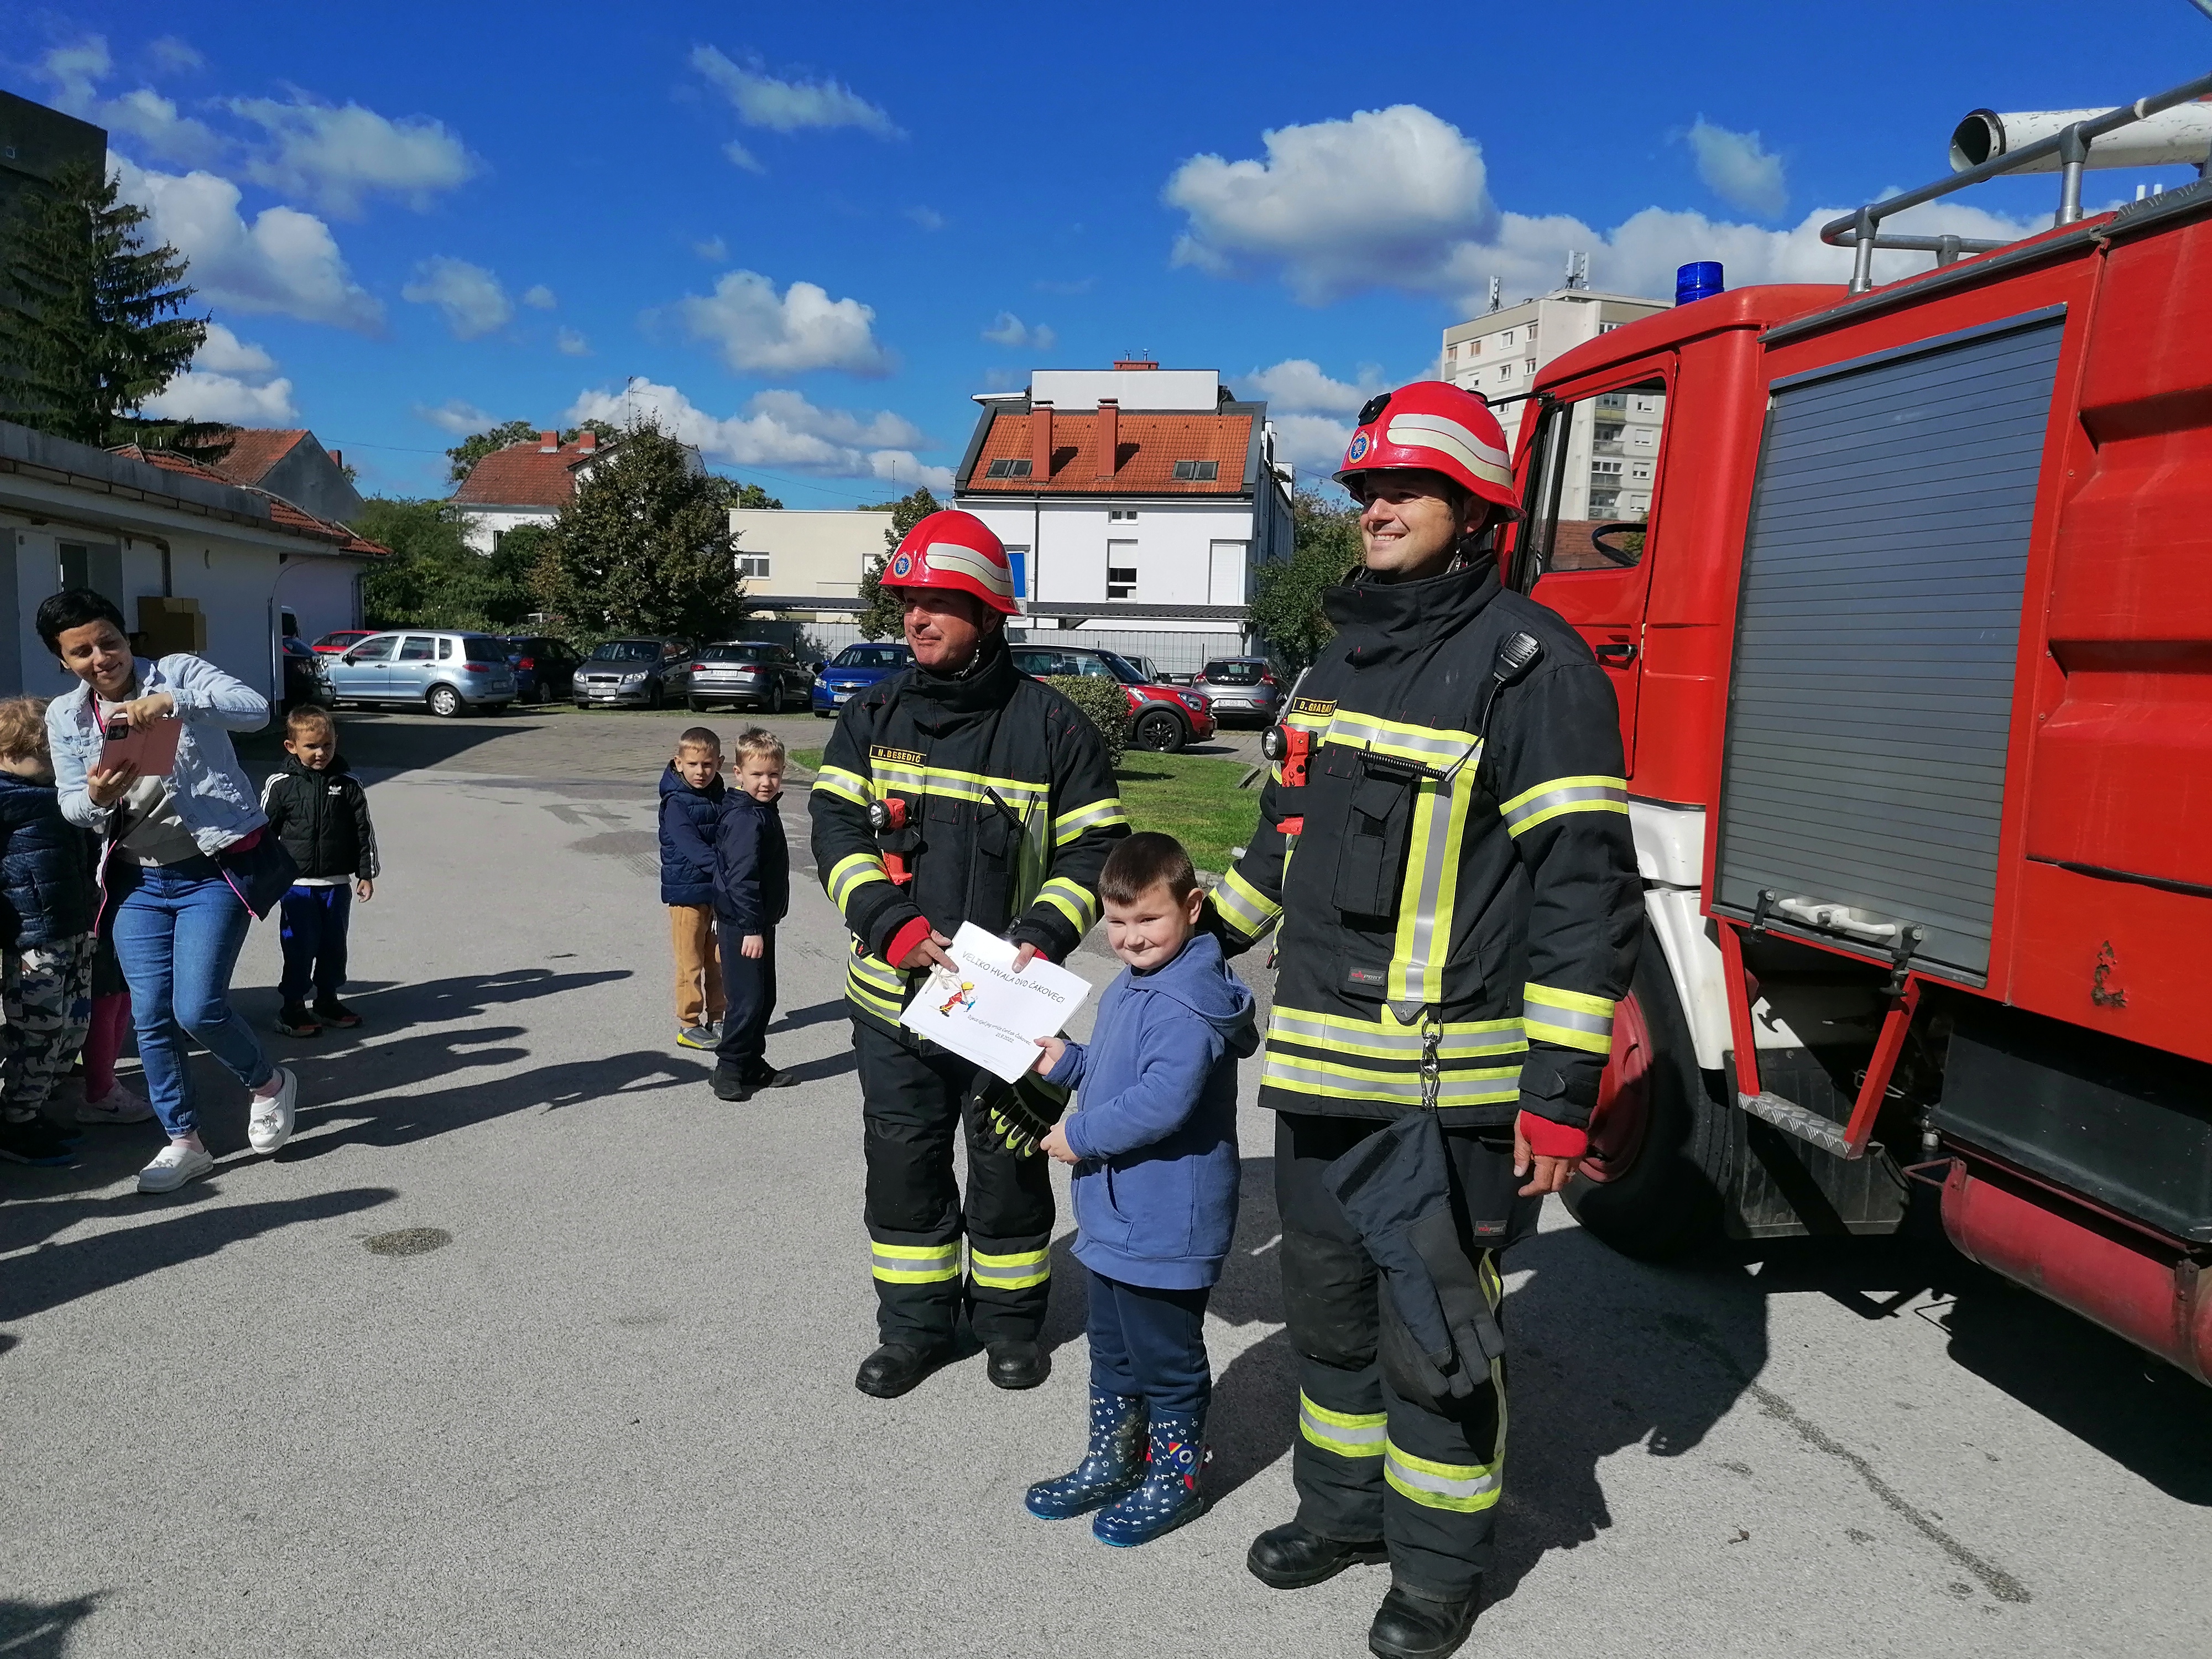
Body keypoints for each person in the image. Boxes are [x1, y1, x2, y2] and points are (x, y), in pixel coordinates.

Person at [1208, 384, 1640, 1659]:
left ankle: (1441, 1565)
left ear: (1473, 511)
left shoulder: (1533, 665)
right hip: (1320, 1078)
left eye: (1403, 488)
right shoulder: (1341, 656)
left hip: (1444, 1099)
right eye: (1363, 490)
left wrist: (1560, 1093)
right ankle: (1341, 1512)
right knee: (1330, 1319)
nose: (1375, 507)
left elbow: (1581, 889)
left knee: (1435, 1341)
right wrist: (1199, 933)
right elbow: (1284, 835)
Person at [811, 509, 1128, 1400]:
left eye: (939, 603)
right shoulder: (869, 714)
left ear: (990, 616)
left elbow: (1093, 849)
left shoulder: (1056, 729)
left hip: (1007, 1009)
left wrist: (1039, 938)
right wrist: (895, 928)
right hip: (890, 1001)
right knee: (904, 1167)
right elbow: (834, 829)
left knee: (1009, 1164)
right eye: (907, 601)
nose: (915, 619)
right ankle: (913, 1330)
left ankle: (1009, 1326)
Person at [1023, 832, 1256, 1547]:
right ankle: (1114, 1458)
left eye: (1147, 920)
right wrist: (1068, 1063)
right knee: (1115, 1349)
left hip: (1165, 1224)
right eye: (1116, 923)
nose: (1129, 938)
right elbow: (1119, 1069)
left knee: (1167, 1358)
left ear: (1192, 906)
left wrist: (1080, 1136)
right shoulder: (1133, 985)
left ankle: (1176, 1476)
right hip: (1118, 1217)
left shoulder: (1189, 1000)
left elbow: (1162, 1100)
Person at [40, 589, 300, 1196]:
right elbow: (72, 805)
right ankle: (184, 1140)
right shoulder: (66, 717)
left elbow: (254, 708)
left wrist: (174, 702)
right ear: (64, 661)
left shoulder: (177, 672)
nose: (101, 657)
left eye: (109, 641)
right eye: (82, 651)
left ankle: (268, 1084)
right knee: (152, 1016)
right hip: (137, 879)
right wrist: (97, 798)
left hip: (211, 870)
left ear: (126, 638)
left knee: (197, 1008)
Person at [0, 697, 97, 1165]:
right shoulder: (7, 799)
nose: (51, 761)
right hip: (32, 940)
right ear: (7, 754)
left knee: (72, 1029)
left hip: (74, 928)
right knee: (38, 1032)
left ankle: (32, 1111)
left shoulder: (63, 796)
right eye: (39, 751)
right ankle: (16, 1123)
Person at [259, 705, 378, 1037]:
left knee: (333, 947)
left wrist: (365, 874)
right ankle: (292, 1007)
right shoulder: (281, 784)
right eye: (311, 746)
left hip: (336, 885)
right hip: (296, 886)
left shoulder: (349, 784)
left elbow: (362, 831)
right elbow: (262, 834)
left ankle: (327, 1000)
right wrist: (257, 880)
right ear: (291, 747)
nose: (321, 753)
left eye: (327, 745)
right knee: (300, 946)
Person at [711, 727, 791, 1101]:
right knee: (747, 999)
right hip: (744, 925)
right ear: (738, 774)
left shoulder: (761, 811)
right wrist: (752, 927)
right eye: (757, 775)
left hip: (758, 922)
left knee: (764, 997)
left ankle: (752, 1063)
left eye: (773, 774)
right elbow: (742, 878)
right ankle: (728, 1067)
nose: (766, 782)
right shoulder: (746, 818)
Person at [659, 726, 727, 1051]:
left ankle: (719, 1017)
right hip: (686, 895)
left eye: (708, 765)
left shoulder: (719, 795)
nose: (701, 772)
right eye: (694, 765)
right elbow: (692, 847)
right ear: (679, 762)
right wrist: (728, 871)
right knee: (691, 962)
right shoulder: (675, 803)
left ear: (720, 763)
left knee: (718, 958)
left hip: (716, 893)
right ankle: (689, 1024)